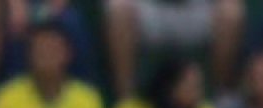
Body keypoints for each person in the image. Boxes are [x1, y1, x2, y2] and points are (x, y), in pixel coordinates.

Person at [105, 0, 245, 99]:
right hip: (154, 11)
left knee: (230, 10)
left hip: (195, 11)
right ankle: (125, 99)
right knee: (118, 6)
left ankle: (221, 98)